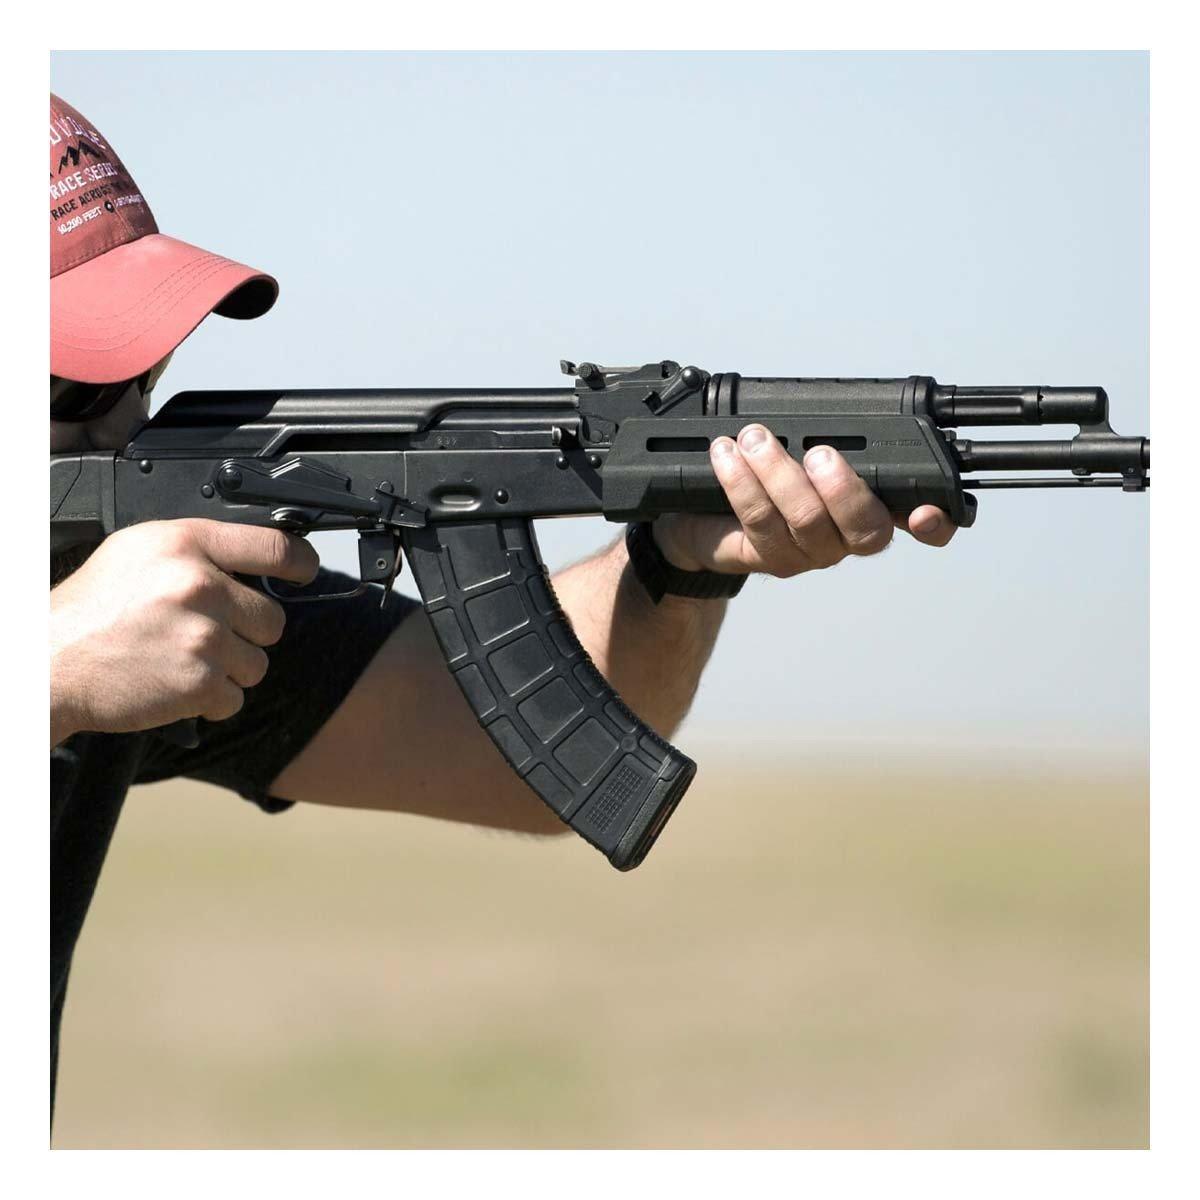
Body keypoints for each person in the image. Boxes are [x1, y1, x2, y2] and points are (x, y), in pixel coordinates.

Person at [48, 93, 957, 1116]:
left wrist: (677, 564)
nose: (126, 422)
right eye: (74, 388)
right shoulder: (75, 631)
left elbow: (507, 761)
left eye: (145, 365)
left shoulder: (134, 597)